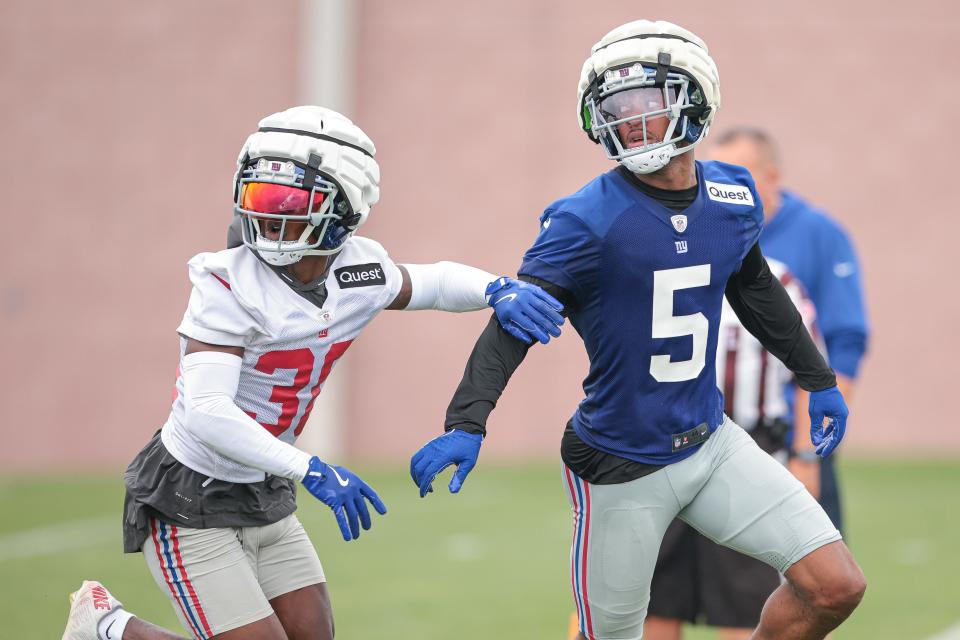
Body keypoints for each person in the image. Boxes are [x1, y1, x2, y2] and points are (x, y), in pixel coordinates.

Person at [409, 20, 866, 640]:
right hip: (620, 463)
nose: (633, 123)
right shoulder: (584, 219)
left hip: (711, 441)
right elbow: (514, 323)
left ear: (695, 98)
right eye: (617, 110)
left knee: (836, 586)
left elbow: (754, 288)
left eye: (649, 105)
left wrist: (819, 378)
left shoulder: (732, 196)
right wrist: (467, 421)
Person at [61, 105, 564, 640]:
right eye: (260, 198)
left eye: (289, 203)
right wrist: (314, 470)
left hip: (264, 486)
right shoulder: (226, 282)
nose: (271, 217)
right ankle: (107, 628)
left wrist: (497, 288)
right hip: (192, 496)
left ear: (345, 205)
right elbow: (207, 411)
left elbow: (432, 282)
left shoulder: (357, 270)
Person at [643, 258, 823, 640]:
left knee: (747, 596)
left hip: (746, 446)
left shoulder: (779, 278)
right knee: (654, 597)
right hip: (664, 446)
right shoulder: (660, 265)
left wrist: (805, 455)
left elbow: (809, 369)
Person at [708, 127, 870, 533]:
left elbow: (845, 343)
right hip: (710, 441)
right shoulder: (704, 230)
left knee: (819, 583)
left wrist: (808, 451)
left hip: (786, 435)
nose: (722, 186)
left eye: (737, 173)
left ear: (771, 176)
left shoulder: (818, 233)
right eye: (713, 175)